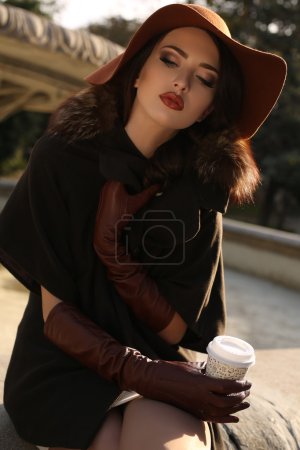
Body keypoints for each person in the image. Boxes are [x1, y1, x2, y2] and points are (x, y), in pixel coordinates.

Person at [0, 3, 286, 450]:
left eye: (205, 78)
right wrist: (145, 374)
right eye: (169, 60)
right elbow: (55, 317)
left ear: (208, 108)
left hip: (162, 364)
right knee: (108, 436)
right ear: (136, 72)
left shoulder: (202, 190)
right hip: (61, 365)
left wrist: (120, 262)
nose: (182, 82)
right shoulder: (61, 158)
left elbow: (177, 332)